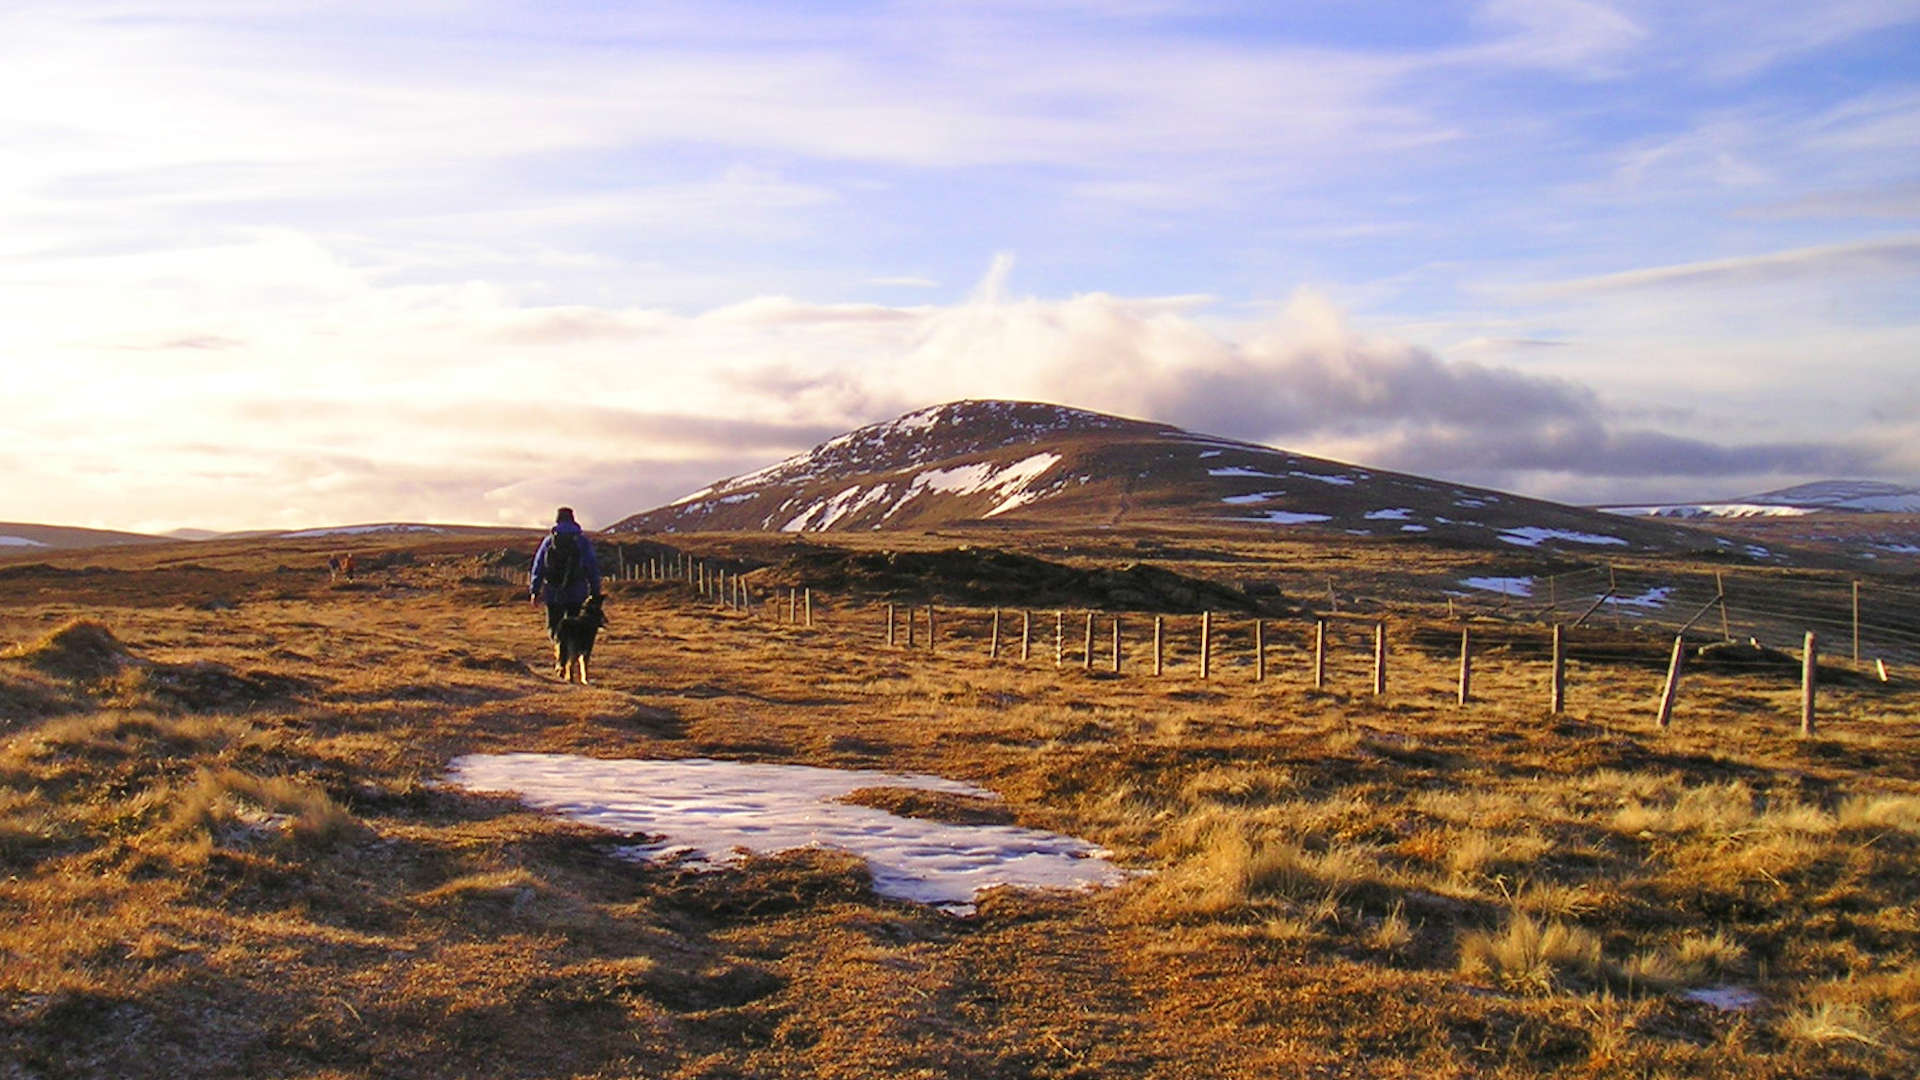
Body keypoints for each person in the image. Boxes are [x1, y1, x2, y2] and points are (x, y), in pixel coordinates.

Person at [529, 507, 602, 671]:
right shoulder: (582, 542)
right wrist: (595, 590)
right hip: (577, 592)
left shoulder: (549, 541)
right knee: (574, 629)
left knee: (555, 629)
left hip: (553, 592)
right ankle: (571, 662)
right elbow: (591, 566)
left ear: (557, 520)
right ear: (573, 519)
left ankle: (560, 660)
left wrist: (535, 590)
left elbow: (538, 566)